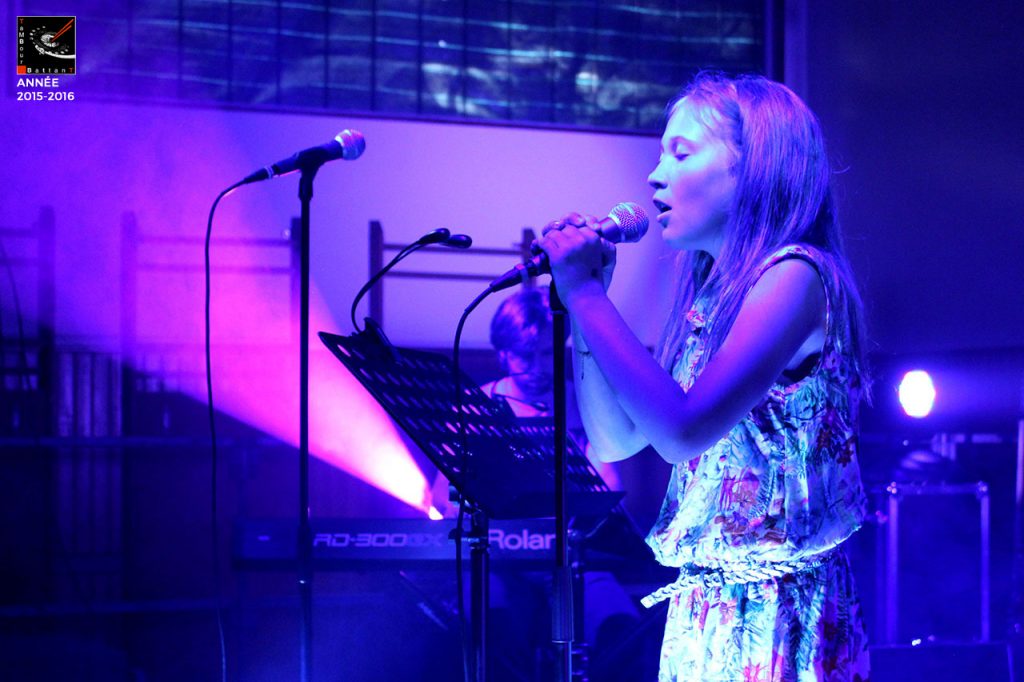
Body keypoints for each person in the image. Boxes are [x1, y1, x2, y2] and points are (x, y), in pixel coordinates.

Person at [536, 72, 872, 681]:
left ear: (753, 168)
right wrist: (585, 309)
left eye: (681, 153)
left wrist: (585, 293)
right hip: (706, 609)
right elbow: (615, 440)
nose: (655, 175)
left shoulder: (795, 276)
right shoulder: (713, 295)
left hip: (777, 611)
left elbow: (682, 431)